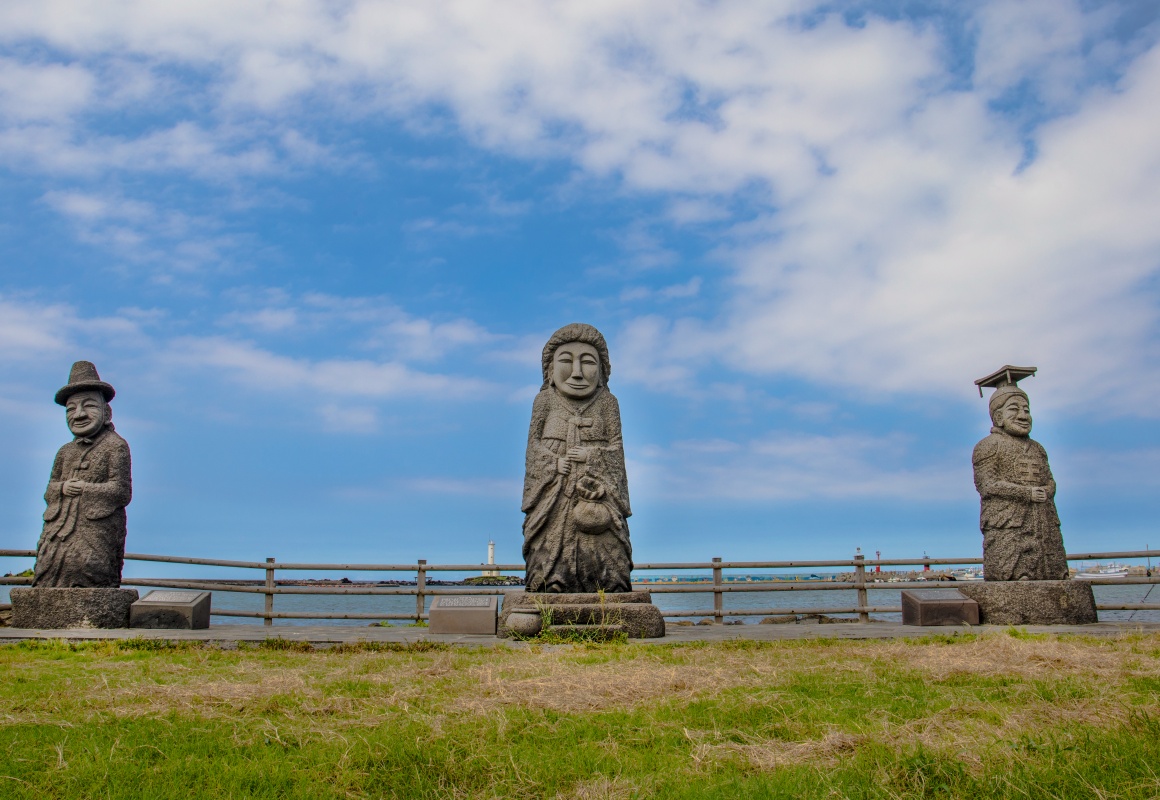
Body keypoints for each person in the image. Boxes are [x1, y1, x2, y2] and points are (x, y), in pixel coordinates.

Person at [521, 323, 632, 593]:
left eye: (588, 362)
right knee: (553, 535)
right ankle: (551, 581)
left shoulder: (608, 403)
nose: (577, 373)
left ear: (602, 372)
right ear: (550, 370)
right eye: (566, 361)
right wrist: (554, 463)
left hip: (596, 485)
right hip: (555, 486)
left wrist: (591, 455)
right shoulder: (544, 401)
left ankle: (609, 584)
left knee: (605, 538)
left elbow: (616, 449)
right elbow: (533, 447)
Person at [32, 362, 132, 588]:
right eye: (70, 409)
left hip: (95, 528)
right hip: (59, 527)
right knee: (48, 567)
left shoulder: (115, 446)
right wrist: (63, 488)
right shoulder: (64, 452)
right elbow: (50, 488)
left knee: (90, 568)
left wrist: (86, 489)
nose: (79, 414)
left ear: (106, 412)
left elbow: (121, 491)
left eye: (89, 406)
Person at [972, 367, 1067, 581]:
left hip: (1043, 519)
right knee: (1012, 569)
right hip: (1007, 521)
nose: (1023, 415)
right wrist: (1027, 493)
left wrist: (1047, 490)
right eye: (1014, 409)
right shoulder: (988, 446)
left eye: (1026, 409)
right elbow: (987, 485)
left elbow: (1049, 479)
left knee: (1051, 567)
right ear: (998, 417)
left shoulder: (1037, 448)